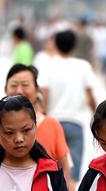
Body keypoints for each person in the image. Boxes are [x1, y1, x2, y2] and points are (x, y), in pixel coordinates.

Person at [0, 64, 74, 191]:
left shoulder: (53, 125)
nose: (19, 90)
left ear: (36, 90)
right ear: (5, 89)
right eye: (13, 85)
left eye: (25, 85)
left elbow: (65, 170)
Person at [39, 29, 98, 181]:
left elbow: (44, 94)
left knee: (52, 169)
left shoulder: (47, 66)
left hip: (52, 123)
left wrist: (43, 117)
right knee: (72, 173)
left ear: (56, 45)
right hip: (75, 122)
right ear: (74, 46)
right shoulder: (83, 66)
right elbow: (90, 95)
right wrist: (97, 116)